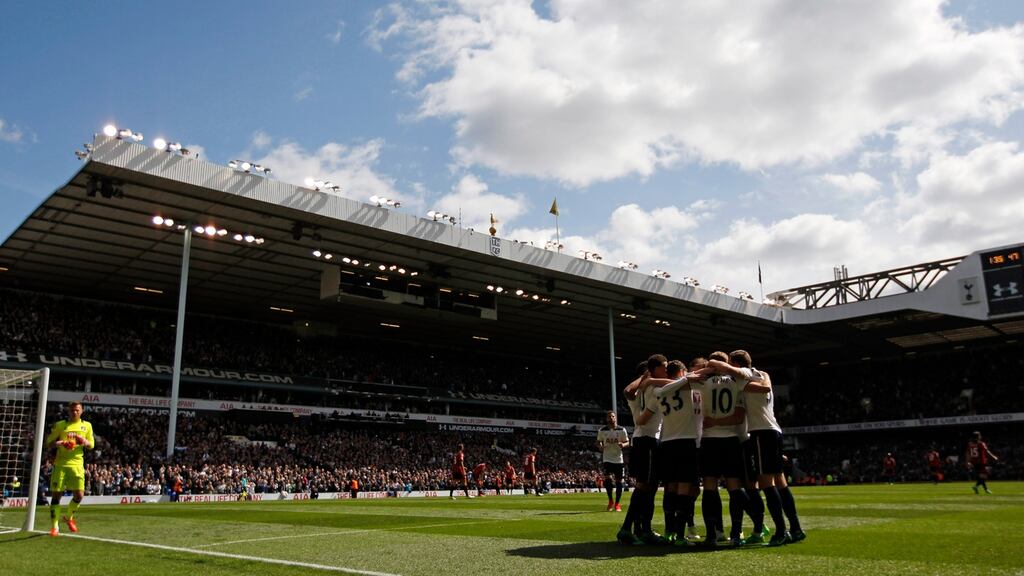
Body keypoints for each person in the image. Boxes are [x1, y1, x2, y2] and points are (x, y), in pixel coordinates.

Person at [618, 355, 667, 545]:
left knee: (651, 486)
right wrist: (645, 378)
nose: (666, 369)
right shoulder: (646, 392)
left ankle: (642, 528)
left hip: (647, 440)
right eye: (663, 367)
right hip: (646, 440)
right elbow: (628, 391)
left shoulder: (644, 392)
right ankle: (627, 528)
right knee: (644, 485)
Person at [44, 401, 94, 536]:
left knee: (79, 495)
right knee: (56, 497)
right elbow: (48, 443)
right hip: (60, 465)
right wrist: (58, 443)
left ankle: (69, 517)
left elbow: (91, 445)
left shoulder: (87, 426)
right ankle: (54, 527)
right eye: (72, 410)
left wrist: (84, 441)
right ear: (69, 411)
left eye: (77, 410)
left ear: (82, 411)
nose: (75, 412)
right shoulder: (61, 425)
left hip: (77, 465)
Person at [596, 410, 629, 511]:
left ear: (615, 418)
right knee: (608, 480)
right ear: (606, 419)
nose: (611, 418)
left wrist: (623, 445)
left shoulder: (622, 430)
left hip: (618, 459)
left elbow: (627, 441)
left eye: (613, 416)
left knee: (619, 482)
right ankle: (611, 501)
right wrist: (600, 447)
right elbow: (598, 442)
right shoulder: (602, 430)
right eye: (609, 417)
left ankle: (617, 504)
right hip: (607, 459)